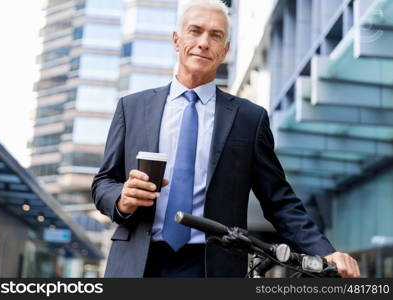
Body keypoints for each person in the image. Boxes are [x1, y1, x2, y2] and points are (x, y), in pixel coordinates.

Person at [91, 0, 360, 278]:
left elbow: (279, 200)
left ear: (225, 50)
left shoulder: (249, 118)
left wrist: (325, 252)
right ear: (176, 39)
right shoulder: (131, 108)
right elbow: (103, 183)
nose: (204, 42)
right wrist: (122, 199)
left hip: (212, 267)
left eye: (215, 35)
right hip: (137, 263)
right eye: (195, 31)